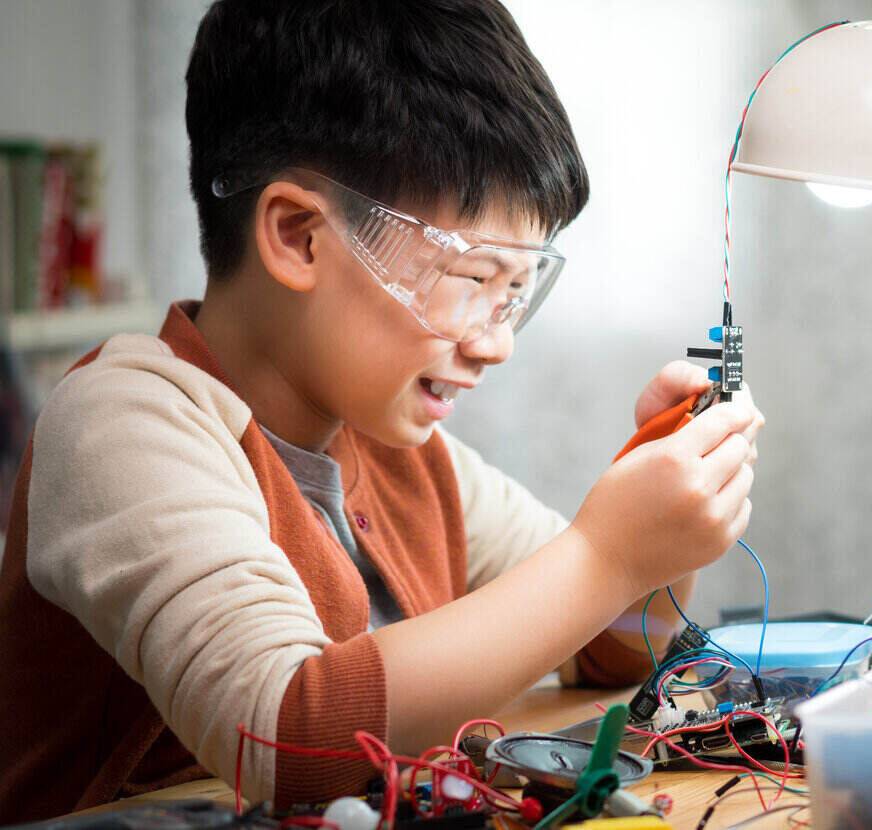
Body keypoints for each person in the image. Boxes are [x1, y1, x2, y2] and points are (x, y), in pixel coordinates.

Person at [0, 0, 763, 819]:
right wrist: (608, 555)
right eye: (472, 281)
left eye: (516, 292)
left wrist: (657, 498)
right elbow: (286, 736)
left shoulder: (398, 446)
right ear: (298, 236)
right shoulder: (124, 420)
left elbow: (611, 644)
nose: (494, 344)